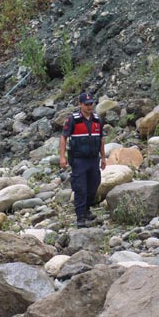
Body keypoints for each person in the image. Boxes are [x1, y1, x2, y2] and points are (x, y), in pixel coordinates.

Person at [59, 92, 107, 228]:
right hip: (79, 160)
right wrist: (62, 157)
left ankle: (86, 209)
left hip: (93, 159)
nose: (89, 106)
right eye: (86, 104)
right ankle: (80, 217)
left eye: (91, 104)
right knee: (80, 188)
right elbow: (63, 137)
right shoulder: (73, 119)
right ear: (80, 104)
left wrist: (103, 158)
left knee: (94, 185)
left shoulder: (97, 120)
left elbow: (101, 140)